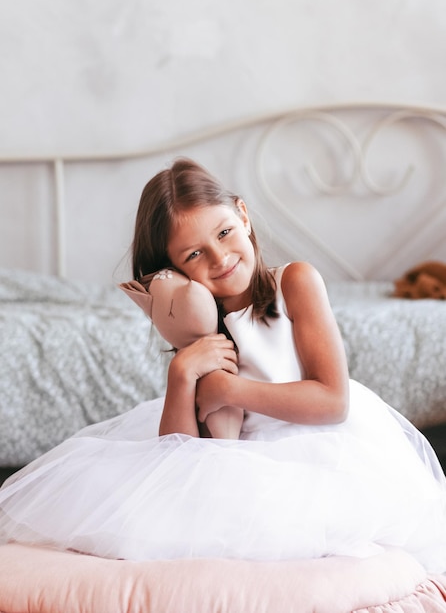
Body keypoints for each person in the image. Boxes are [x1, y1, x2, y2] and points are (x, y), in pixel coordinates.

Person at [0, 158, 446, 572]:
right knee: (160, 519)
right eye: (193, 255)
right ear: (171, 273)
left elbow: (332, 402)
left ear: (244, 216)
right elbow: (177, 455)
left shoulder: (295, 282)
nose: (219, 258)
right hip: (233, 462)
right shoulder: (197, 321)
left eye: (225, 232)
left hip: (319, 448)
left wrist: (232, 391)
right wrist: (182, 376)